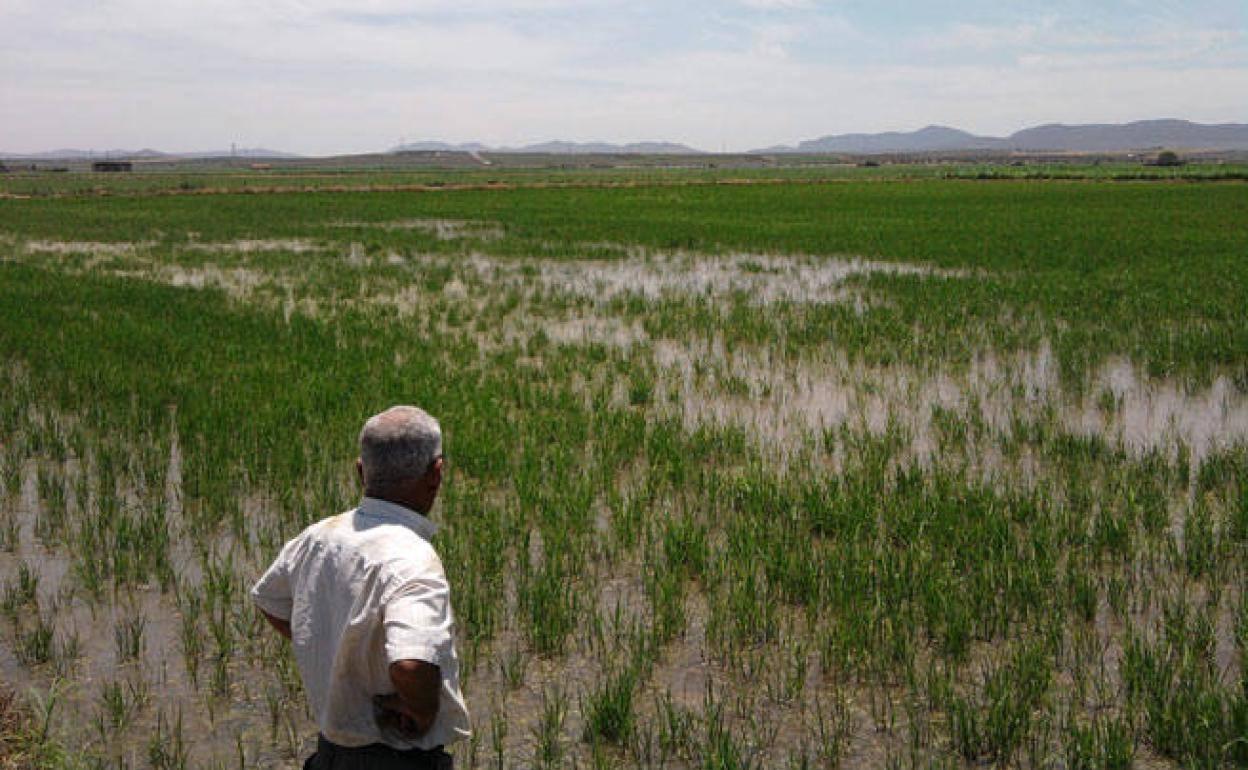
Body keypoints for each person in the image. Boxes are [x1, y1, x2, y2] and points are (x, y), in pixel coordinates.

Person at [251, 406, 471, 769]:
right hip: (396, 760)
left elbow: (269, 600)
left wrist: (337, 648)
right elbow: (412, 666)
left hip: (330, 754)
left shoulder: (319, 537)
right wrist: (422, 710)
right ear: (436, 474)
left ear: (360, 471)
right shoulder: (413, 559)